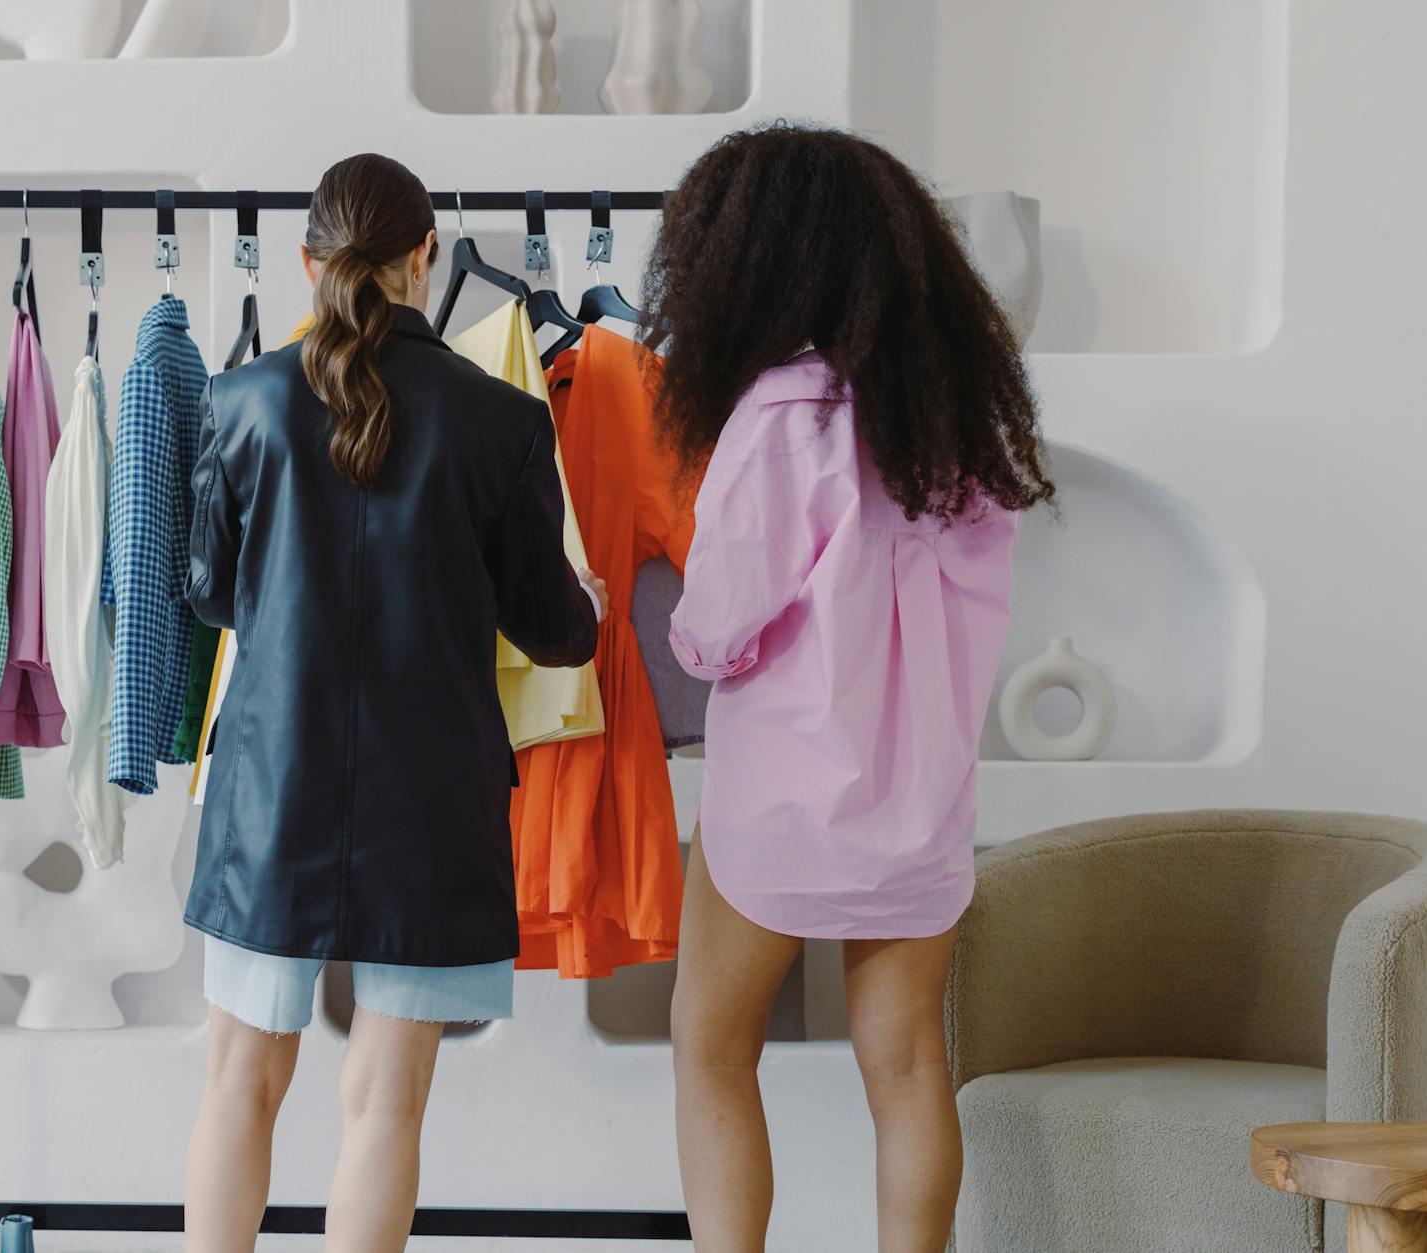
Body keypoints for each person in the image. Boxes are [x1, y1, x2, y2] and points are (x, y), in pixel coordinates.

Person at [181, 152, 607, 1253]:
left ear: (307, 260)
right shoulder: (503, 418)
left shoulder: (241, 401)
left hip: (271, 794)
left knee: (237, 1081)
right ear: (427, 256)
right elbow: (554, 632)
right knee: (386, 1102)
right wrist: (591, 602)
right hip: (434, 802)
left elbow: (211, 593)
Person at [650, 124, 1056, 1253]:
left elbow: (719, 621)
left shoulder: (786, 415)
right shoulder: (960, 421)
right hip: (919, 797)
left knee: (711, 1045)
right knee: (909, 1062)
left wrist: (685, 643)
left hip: (780, 797)